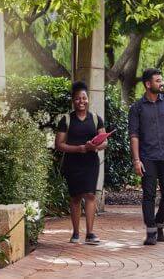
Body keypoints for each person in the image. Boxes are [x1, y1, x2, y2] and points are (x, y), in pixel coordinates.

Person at [129, 68, 164, 245]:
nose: (161, 83)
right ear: (148, 84)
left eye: (161, 80)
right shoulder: (136, 108)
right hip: (147, 157)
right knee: (149, 194)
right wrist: (136, 160)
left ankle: (159, 223)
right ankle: (151, 231)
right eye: (158, 81)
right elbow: (134, 135)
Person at [55, 81, 107, 245]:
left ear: (88, 99)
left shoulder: (96, 118)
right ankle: (76, 233)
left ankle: (90, 233)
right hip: (73, 162)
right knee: (76, 197)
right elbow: (59, 144)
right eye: (77, 99)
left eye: (84, 98)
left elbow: (104, 141)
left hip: (91, 162)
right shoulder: (66, 119)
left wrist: (94, 146)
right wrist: (79, 148)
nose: (81, 101)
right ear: (73, 100)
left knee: (91, 195)